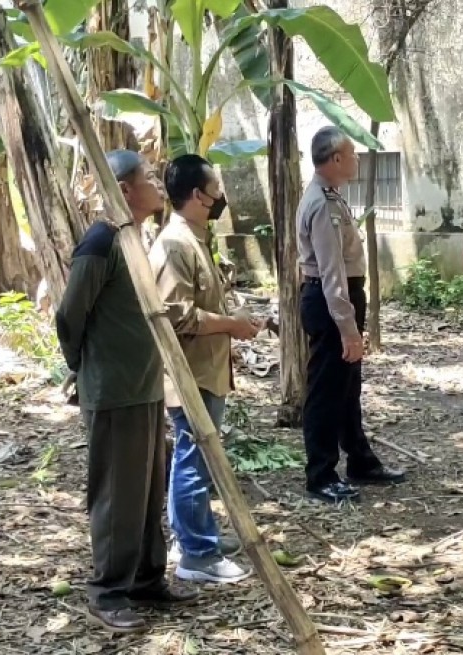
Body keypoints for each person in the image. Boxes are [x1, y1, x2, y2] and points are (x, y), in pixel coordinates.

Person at [56, 150, 197, 633]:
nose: (158, 186)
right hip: (114, 388)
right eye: (149, 179)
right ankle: (108, 591)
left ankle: (146, 577)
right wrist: (81, 366)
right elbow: (69, 315)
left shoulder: (134, 236)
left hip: (143, 386)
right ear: (123, 188)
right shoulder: (100, 242)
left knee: (146, 488)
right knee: (118, 493)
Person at [149, 154, 260, 584]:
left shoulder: (194, 239)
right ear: (198, 195)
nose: (221, 197)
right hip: (190, 374)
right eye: (216, 189)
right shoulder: (176, 244)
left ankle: (192, 535)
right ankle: (197, 553)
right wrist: (232, 324)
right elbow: (176, 315)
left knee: (194, 456)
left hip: (206, 370)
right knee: (192, 458)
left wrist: (235, 319)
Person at [297, 126, 406, 503]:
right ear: (336, 159)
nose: (358, 159)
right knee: (327, 390)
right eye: (353, 153)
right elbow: (331, 273)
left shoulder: (332, 197)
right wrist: (347, 328)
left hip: (338, 300)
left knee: (347, 387)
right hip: (330, 303)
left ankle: (359, 459)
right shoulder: (322, 204)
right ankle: (320, 473)